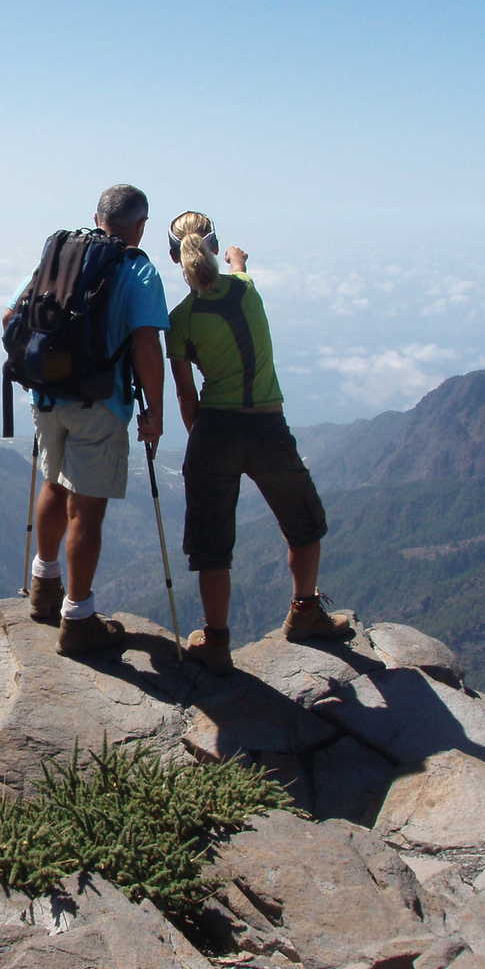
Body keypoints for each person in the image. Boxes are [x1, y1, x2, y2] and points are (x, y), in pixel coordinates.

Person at [165, 210, 351, 672]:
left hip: (215, 430)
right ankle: (304, 613)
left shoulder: (181, 319)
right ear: (213, 248)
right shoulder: (247, 290)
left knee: (211, 542)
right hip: (267, 426)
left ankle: (216, 641)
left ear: (175, 257)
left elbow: (186, 394)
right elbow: (238, 271)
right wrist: (235, 258)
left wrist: (202, 441)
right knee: (303, 521)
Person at [4, 184, 167, 655]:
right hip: (101, 402)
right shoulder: (137, 270)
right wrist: (154, 412)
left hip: (47, 397)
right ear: (141, 225)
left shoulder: (60, 256)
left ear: (96, 217)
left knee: (53, 486)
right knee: (87, 511)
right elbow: (145, 345)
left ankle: (43, 588)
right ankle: (78, 618)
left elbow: (10, 315)